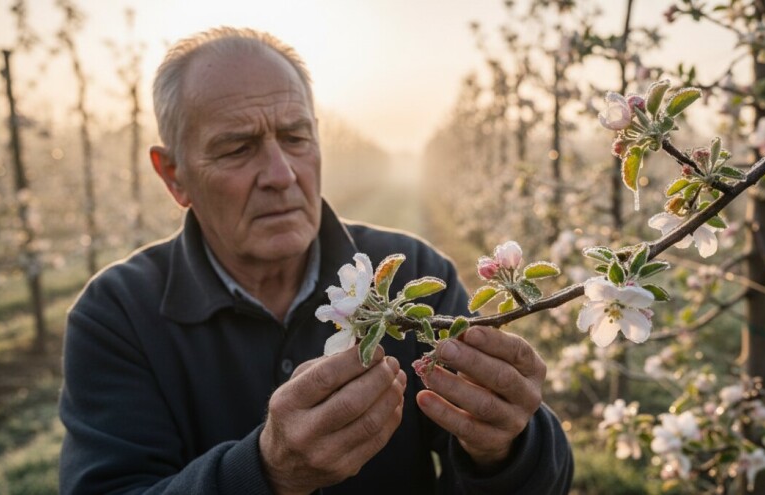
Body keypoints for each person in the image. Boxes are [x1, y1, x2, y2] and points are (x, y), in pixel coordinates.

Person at [58, 27, 573, 494]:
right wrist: (265, 472)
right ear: (173, 175)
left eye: (296, 136)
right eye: (238, 148)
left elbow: (535, 479)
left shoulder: (416, 275)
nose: (281, 174)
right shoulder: (117, 315)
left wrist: (506, 447)